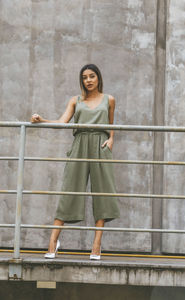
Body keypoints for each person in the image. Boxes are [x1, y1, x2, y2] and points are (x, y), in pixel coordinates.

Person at [31, 64, 120, 260]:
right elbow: (63, 122)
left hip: (100, 146)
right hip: (80, 144)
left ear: (98, 78)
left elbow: (111, 123)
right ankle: (53, 242)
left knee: (102, 193)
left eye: (92, 76)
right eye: (85, 77)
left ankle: (96, 245)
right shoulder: (76, 100)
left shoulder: (109, 99)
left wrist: (111, 139)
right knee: (69, 190)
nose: (88, 80)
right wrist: (43, 120)